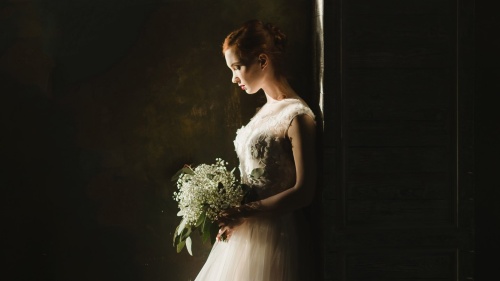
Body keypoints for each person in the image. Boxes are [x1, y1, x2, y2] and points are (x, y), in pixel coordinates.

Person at [195, 20, 317, 281]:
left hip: (275, 236)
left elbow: (304, 193)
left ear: (262, 61)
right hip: (245, 233)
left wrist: (243, 211)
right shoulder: (263, 111)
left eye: (237, 67)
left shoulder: (297, 116)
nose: (233, 77)